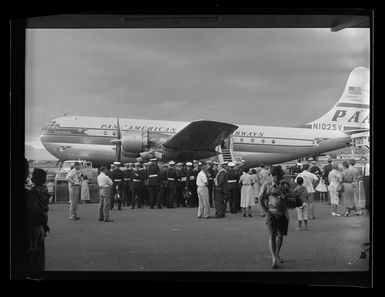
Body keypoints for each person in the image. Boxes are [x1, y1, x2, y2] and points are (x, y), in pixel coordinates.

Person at [259, 165, 289, 269]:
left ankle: (277, 254)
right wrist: (266, 211)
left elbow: (289, 197)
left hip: (283, 213)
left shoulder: (284, 185)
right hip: (271, 213)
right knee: (272, 235)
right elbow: (260, 199)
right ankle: (274, 258)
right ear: (275, 174)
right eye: (281, 172)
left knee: (280, 235)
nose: (283, 174)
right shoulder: (267, 185)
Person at [26, 168, 50, 273]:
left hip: (35, 226)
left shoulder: (33, 192)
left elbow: (34, 211)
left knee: (34, 255)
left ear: (32, 179)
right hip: (42, 224)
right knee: (40, 256)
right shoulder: (45, 191)